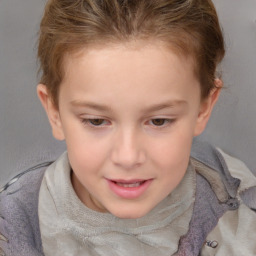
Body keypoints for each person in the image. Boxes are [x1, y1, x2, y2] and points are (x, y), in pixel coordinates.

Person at [0, 0, 256, 255]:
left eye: (159, 121)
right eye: (96, 121)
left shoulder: (239, 218)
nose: (128, 156)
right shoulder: (12, 227)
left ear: (203, 108)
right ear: (54, 112)